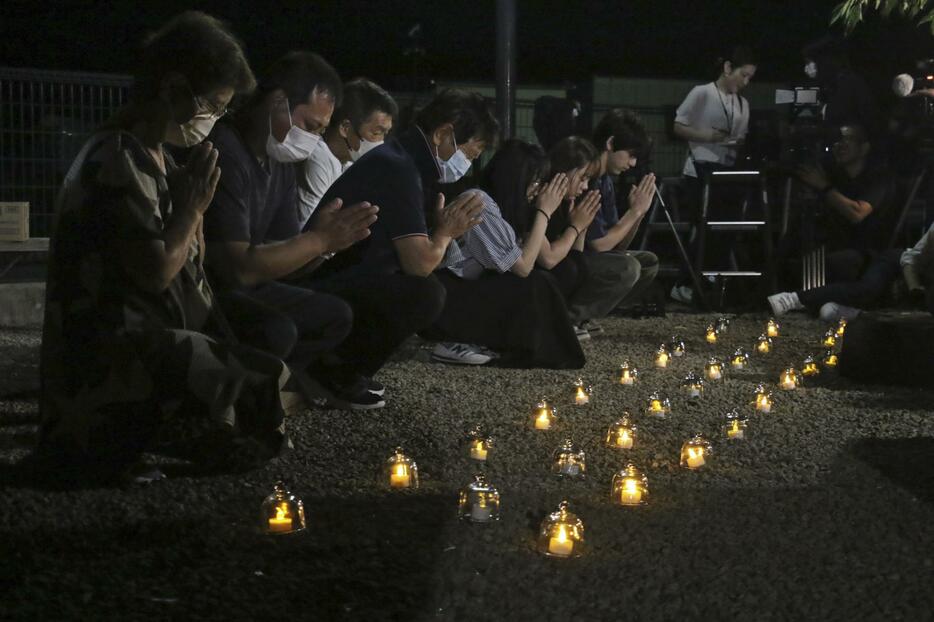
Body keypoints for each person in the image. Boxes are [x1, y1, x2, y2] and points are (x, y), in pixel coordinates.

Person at [38, 12, 290, 480]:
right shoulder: (116, 156)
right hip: (105, 357)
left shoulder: (151, 156)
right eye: (211, 105)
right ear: (173, 88)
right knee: (257, 388)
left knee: (261, 368)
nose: (212, 120)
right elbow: (155, 272)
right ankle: (102, 440)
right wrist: (192, 212)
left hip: (136, 341)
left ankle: (144, 439)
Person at [202, 52, 381, 410]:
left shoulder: (278, 160)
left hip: (250, 281)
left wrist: (325, 245)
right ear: (277, 103)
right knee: (276, 329)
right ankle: (226, 403)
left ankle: (268, 390)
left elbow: (285, 254)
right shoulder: (225, 150)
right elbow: (238, 267)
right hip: (208, 289)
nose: (313, 138)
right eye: (311, 126)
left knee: (335, 315)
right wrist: (318, 240)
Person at [300, 89, 495, 387]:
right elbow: (419, 263)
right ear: (443, 133)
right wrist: (445, 233)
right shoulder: (399, 168)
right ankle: (335, 370)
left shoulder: (403, 158)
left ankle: (341, 367)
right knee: (425, 293)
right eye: (469, 154)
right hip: (319, 278)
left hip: (341, 272)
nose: (466, 163)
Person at [426, 140, 585, 368]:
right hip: (446, 296)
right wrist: (543, 212)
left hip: (461, 290)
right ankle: (454, 341)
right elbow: (523, 267)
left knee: (549, 277)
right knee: (534, 282)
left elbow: (543, 260)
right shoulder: (480, 202)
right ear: (517, 180)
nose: (538, 190)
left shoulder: (503, 206)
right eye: (536, 181)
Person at [767, 125, 895, 318]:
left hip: (867, 251)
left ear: (864, 148)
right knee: (796, 248)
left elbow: (857, 213)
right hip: (832, 243)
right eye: (836, 141)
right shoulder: (834, 174)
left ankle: (804, 300)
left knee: (841, 262)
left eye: (847, 140)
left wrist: (824, 188)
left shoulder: (878, 177)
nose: (840, 145)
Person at [670, 46, 757, 304]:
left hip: (728, 170)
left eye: (750, 77)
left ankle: (708, 278)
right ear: (728, 68)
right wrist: (708, 136)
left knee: (727, 226)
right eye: (743, 75)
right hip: (701, 167)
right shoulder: (702, 93)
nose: (745, 82)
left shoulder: (743, 103)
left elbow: (741, 137)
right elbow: (678, 125)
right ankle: (688, 281)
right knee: (706, 226)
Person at [569, 109, 659, 324]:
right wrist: (634, 212)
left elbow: (617, 245)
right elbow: (600, 244)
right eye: (631, 154)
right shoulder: (587, 177)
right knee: (628, 268)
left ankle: (587, 315)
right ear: (610, 143)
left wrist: (638, 214)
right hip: (570, 257)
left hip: (588, 256)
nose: (633, 163)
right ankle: (570, 318)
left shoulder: (605, 180)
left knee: (647, 262)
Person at [297, 78, 398, 226]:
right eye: (376, 133)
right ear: (345, 128)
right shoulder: (317, 160)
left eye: (385, 134)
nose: (381, 143)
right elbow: (311, 233)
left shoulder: (349, 161)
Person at [542, 137, 604, 339]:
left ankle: (567, 318)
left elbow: (576, 254)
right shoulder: (543, 197)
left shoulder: (566, 202)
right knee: (568, 267)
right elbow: (548, 259)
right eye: (582, 178)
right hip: (529, 277)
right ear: (564, 170)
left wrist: (582, 225)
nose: (585, 186)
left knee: (579, 264)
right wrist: (575, 226)